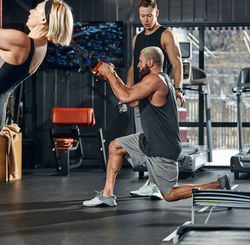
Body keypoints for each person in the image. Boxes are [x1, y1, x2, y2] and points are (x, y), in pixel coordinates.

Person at [82, 46, 231, 207]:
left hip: (162, 146)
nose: (138, 65)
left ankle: (217, 185)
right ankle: (107, 195)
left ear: (150, 62)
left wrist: (109, 74)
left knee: (170, 194)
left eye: (140, 61)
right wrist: (113, 75)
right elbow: (132, 100)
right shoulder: (159, 79)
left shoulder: (155, 80)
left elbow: (125, 96)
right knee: (115, 147)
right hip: (149, 140)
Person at [127, 0, 184, 199]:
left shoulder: (166, 34)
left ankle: (155, 183)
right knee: (146, 139)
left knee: (157, 140)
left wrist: (178, 89)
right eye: (142, 16)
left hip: (159, 97)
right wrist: (127, 93)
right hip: (141, 97)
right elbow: (134, 66)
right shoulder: (137, 39)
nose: (145, 20)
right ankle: (153, 183)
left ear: (156, 13)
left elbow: (177, 63)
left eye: (149, 15)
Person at [0, 0, 73, 131]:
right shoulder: (41, 47)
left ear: (44, 18)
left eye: (36, 9)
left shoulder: (21, 41)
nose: (30, 11)